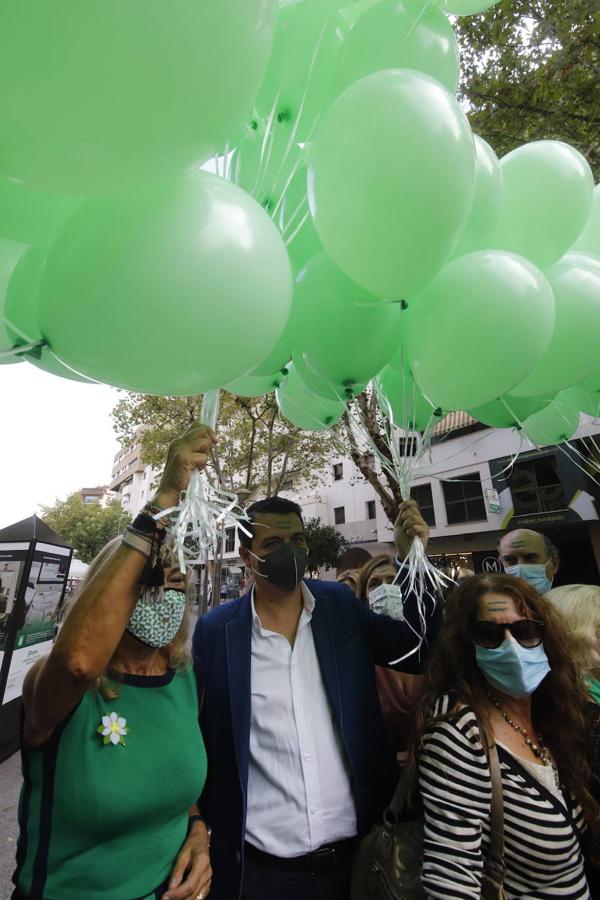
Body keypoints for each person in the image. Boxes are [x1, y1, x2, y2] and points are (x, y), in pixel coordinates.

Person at [192, 497, 437, 900]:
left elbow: (418, 649)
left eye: (298, 539)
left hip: (359, 864)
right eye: (273, 543)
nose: (291, 551)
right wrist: (196, 822)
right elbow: (198, 736)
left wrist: (414, 562)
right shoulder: (216, 632)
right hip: (259, 873)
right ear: (246, 555)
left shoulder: (339, 608)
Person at [12, 425, 216, 900]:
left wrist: (200, 831)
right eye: (148, 585)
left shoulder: (182, 679)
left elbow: (179, 789)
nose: (164, 595)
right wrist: (163, 498)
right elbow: (80, 662)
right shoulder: (59, 686)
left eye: (175, 585)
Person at [412, 573, 599, 898]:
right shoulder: (460, 730)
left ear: (545, 636)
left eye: (525, 631)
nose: (510, 646)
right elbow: (452, 873)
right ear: (466, 645)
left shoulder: (554, 714)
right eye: (489, 634)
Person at [358, 555, 425, 759]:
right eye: (375, 584)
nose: (385, 589)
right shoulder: (361, 655)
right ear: (364, 597)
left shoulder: (428, 644)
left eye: (393, 581)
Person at [498, 528, 559, 593]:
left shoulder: (569, 601)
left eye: (531, 558)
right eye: (510, 560)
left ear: (554, 564)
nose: (520, 569)